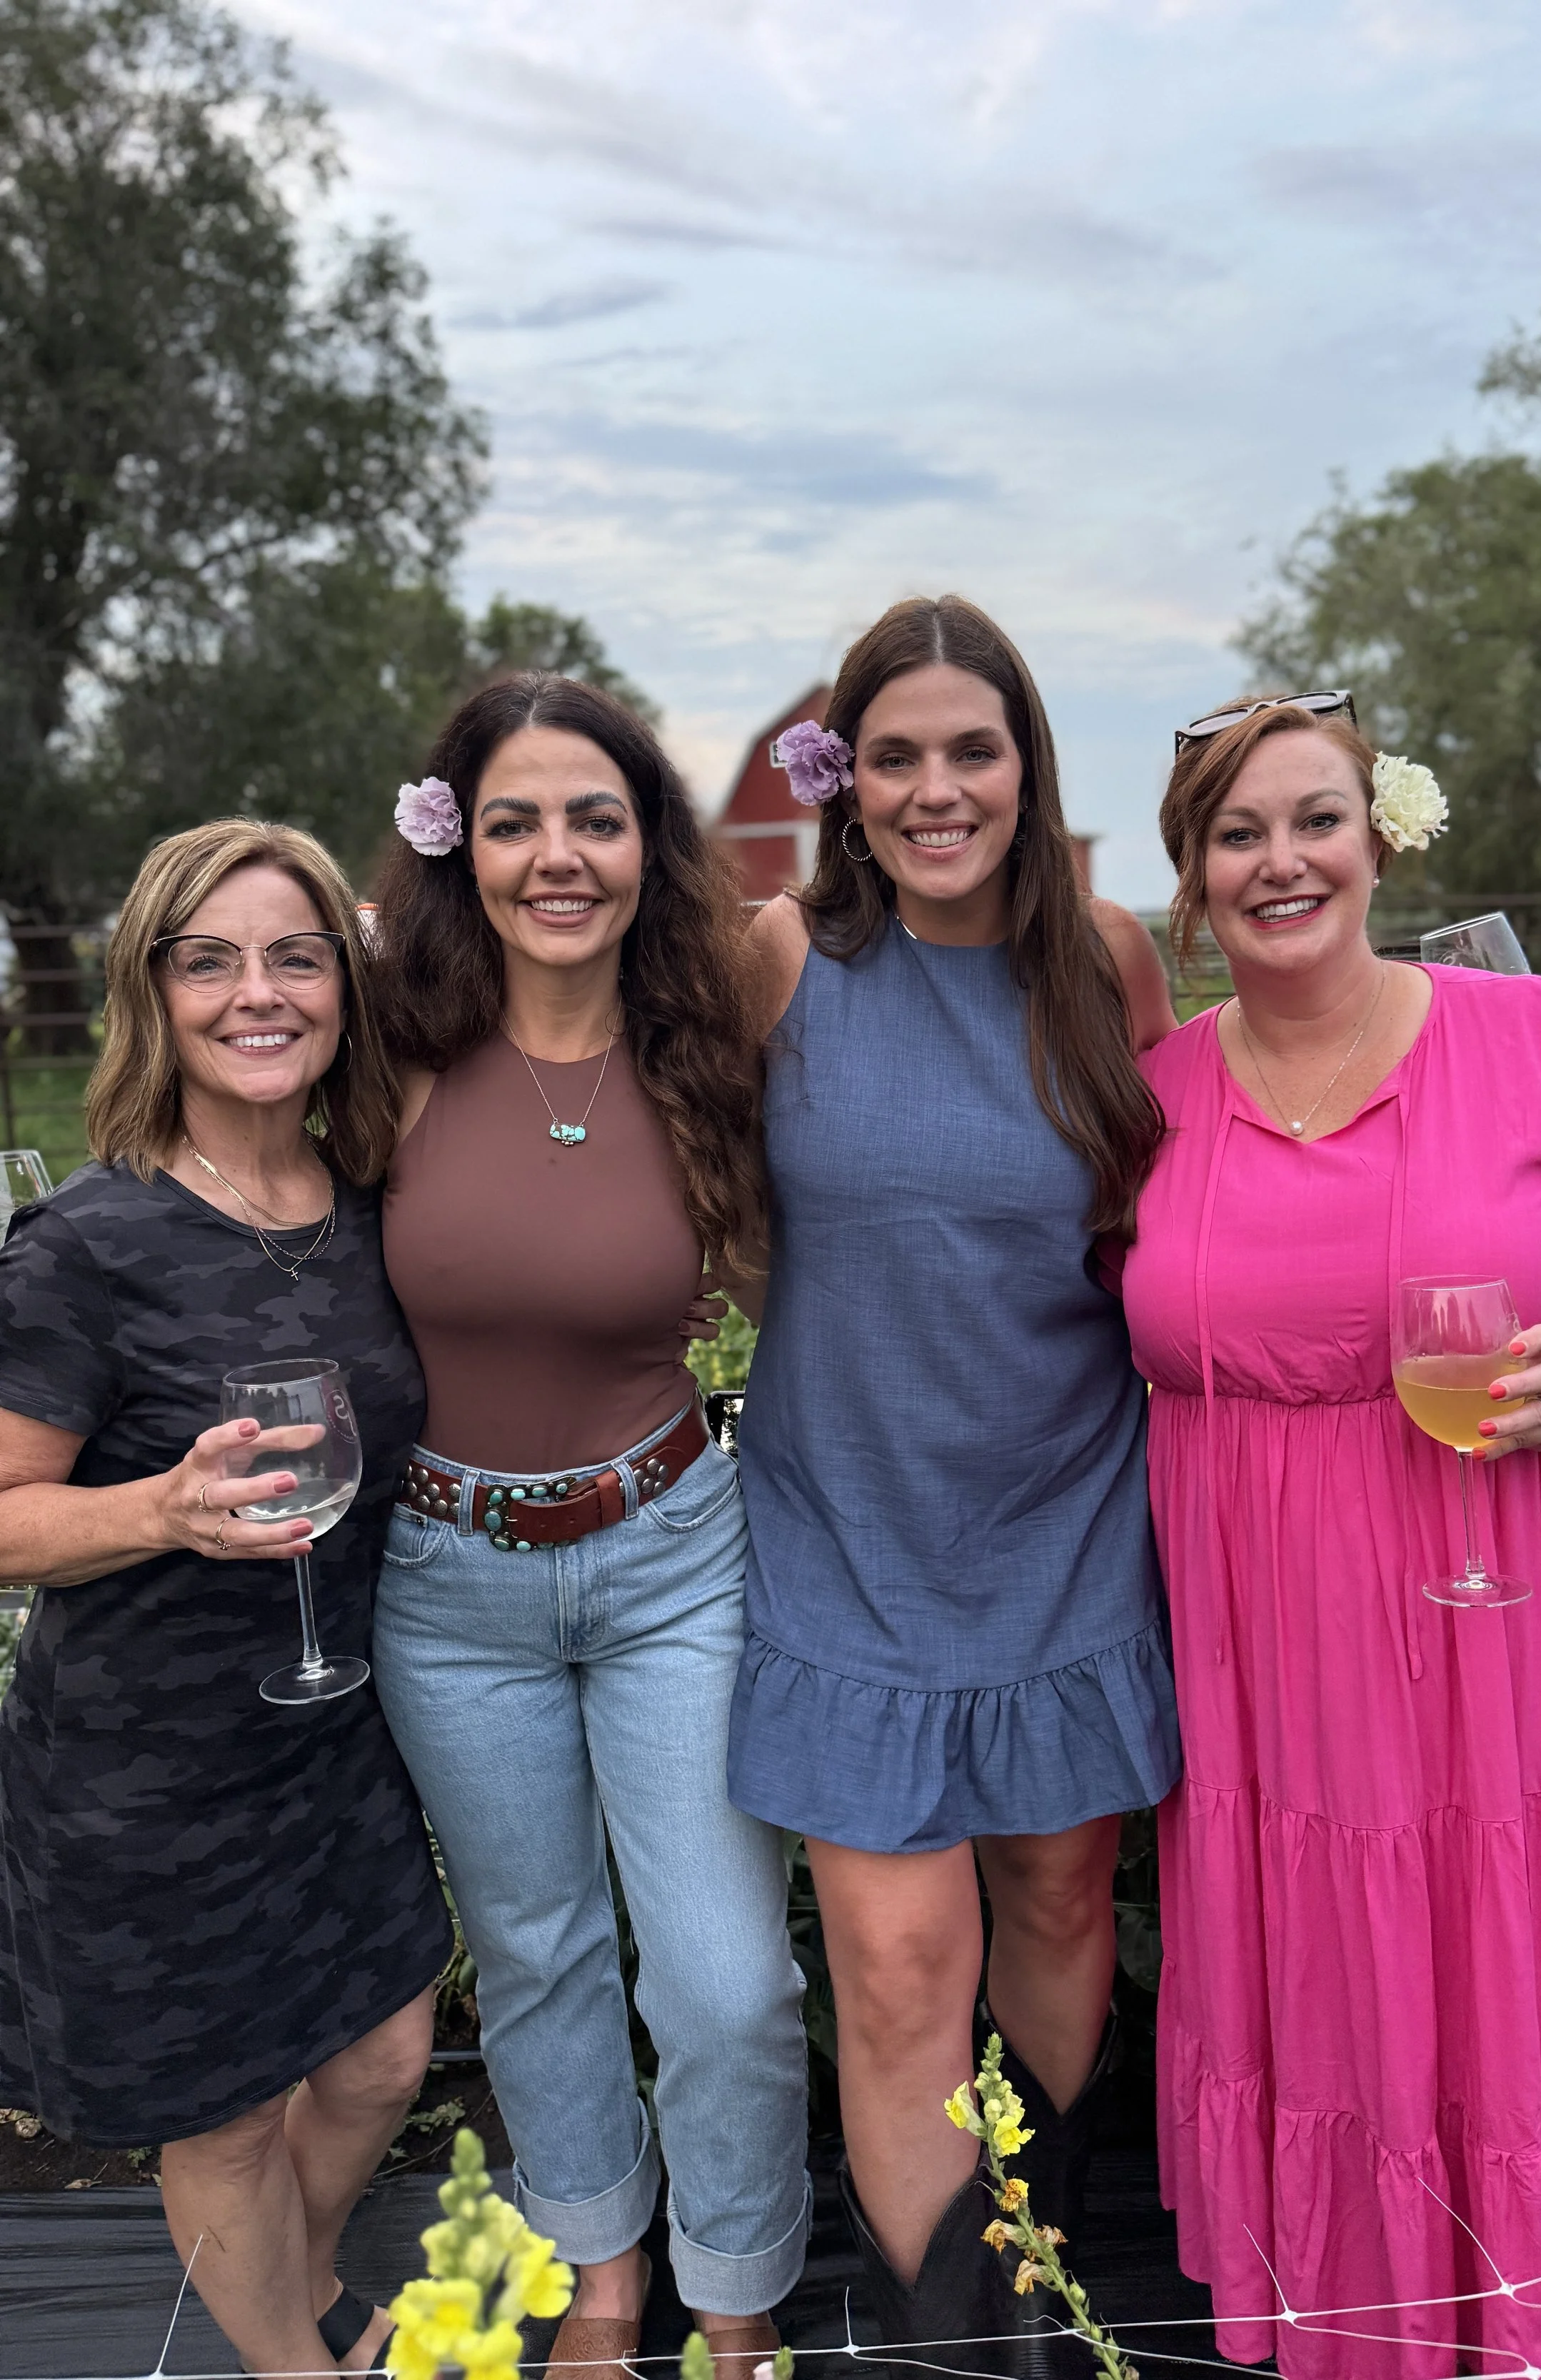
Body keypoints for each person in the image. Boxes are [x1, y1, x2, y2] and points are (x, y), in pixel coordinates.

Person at [1123, 690, 1541, 2379]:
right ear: (1191, 879)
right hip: (1278, 1645)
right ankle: (1375, 2313)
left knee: (1531, 1956)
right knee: (1349, 1980)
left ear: (1377, 833)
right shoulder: (1146, 1103)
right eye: (1236, 834)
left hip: (1533, 1605)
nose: (1281, 861)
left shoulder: (1536, 1036)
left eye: (1312, 819)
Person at [726, 595, 1182, 2362]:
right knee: (902, 1961)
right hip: (846, 1528)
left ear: (1023, 763)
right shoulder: (783, 957)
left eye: (969, 751)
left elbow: (1164, 1228)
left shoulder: (1109, 961)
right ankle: (942, 2338)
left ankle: (1041, 2269)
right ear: (844, 777)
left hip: (1065, 1517)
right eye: (895, 754)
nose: (935, 790)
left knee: (1062, 1900)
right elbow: (722, 1207)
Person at [369, 673, 809, 2380]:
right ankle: (600, 2274)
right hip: (443, 1575)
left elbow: (799, 1278)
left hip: (670, 1554)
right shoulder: (391, 1050)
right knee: (541, 1953)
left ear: (649, 843)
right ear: (454, 844)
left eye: (596, 817)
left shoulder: (714, 1044)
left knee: (724, 1982)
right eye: (514, 820)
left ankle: (736, 2282)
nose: (558, 856)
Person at [0, 820, 452, 2377]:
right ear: (155, 994)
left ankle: (297, 2282)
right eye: (210, 960)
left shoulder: (372, 1201)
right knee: (235, 2107)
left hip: (334, 1741)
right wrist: (160, 1509)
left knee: (388, 2052)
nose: (255, 992)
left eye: (292, 955)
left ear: (341, 984)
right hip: (147, 1768)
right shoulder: (90, 1244)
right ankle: (291, 2359)